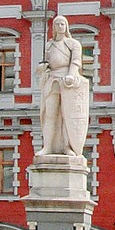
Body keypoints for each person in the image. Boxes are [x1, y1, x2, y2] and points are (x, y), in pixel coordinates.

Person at [36, 15, 89, 157]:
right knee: (50, 115)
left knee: (67, 115)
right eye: (57, 24)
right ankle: (47, 146)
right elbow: (46, 63)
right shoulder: (49, 45)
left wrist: (71, 75)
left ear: (66, 27)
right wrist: (42, 68)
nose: (60, 26)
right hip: (52, 80)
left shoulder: (73, 44)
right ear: (53, 27)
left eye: (62, 24)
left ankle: (67, 146)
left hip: (67, 82)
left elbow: (76, 61)